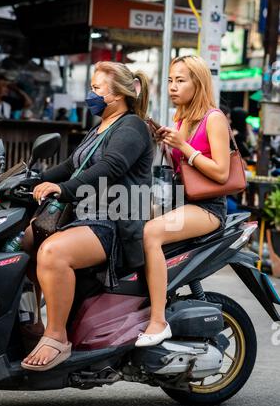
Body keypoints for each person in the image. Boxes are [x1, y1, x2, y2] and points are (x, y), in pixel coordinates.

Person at [21, 61, 153, 371]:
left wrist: (63, 190)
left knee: (53, 252)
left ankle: (57, 337)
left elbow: (110, 167)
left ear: (117, 94)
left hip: (114, 221)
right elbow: (71, 166)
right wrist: (26, 181)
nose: (89, 94)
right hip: (85, 216)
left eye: (95, 88)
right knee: (22, 240)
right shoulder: (101, 126)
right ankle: (30, 323)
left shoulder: (132, 126)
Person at [135, 55, 230, 347]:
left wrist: (184, 147)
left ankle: (158, 320)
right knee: (125, 218)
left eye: (181, 80)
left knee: (152, 233)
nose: (173, 87)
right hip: (179, 201)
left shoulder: (213, 118)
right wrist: (164, 142)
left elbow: (222, 172)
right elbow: (179, 169)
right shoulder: (181, 118)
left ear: (197, 83)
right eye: (170, 80)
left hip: (207, 208)